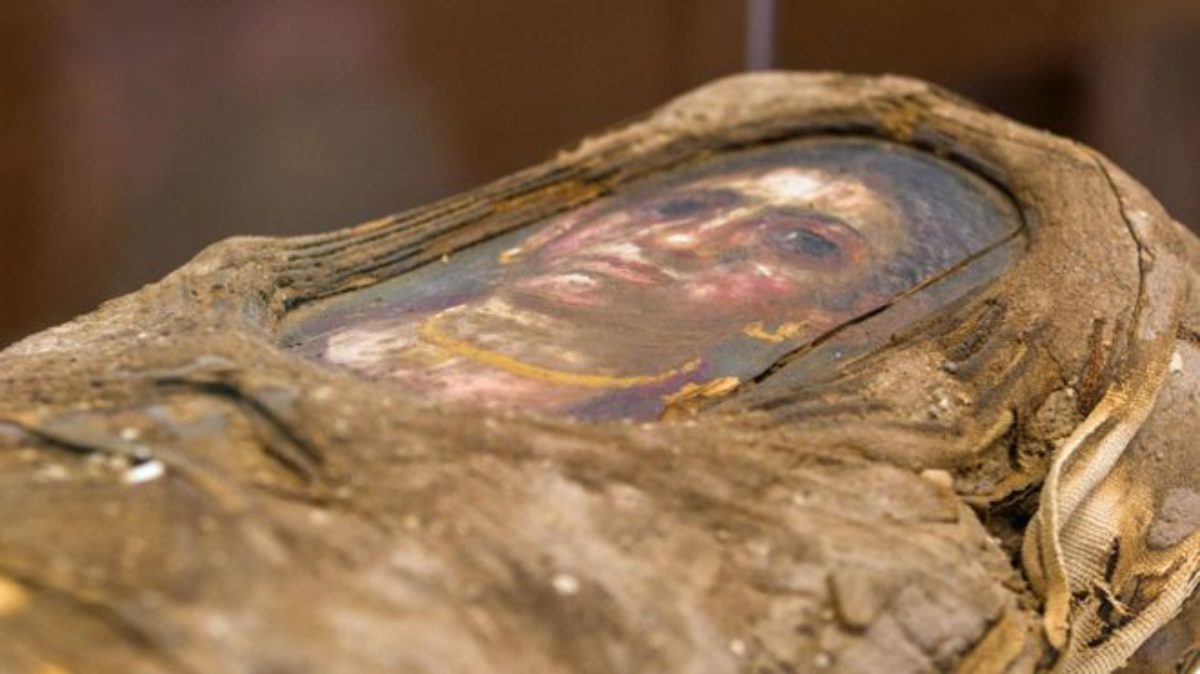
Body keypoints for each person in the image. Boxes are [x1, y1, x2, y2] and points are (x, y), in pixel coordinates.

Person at [297, 138, 1017, 420]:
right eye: (681, 206)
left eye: (801, 243)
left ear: (832, 317)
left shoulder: (661, 441)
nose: (681, 241)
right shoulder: (316, 325)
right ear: (568, 225)